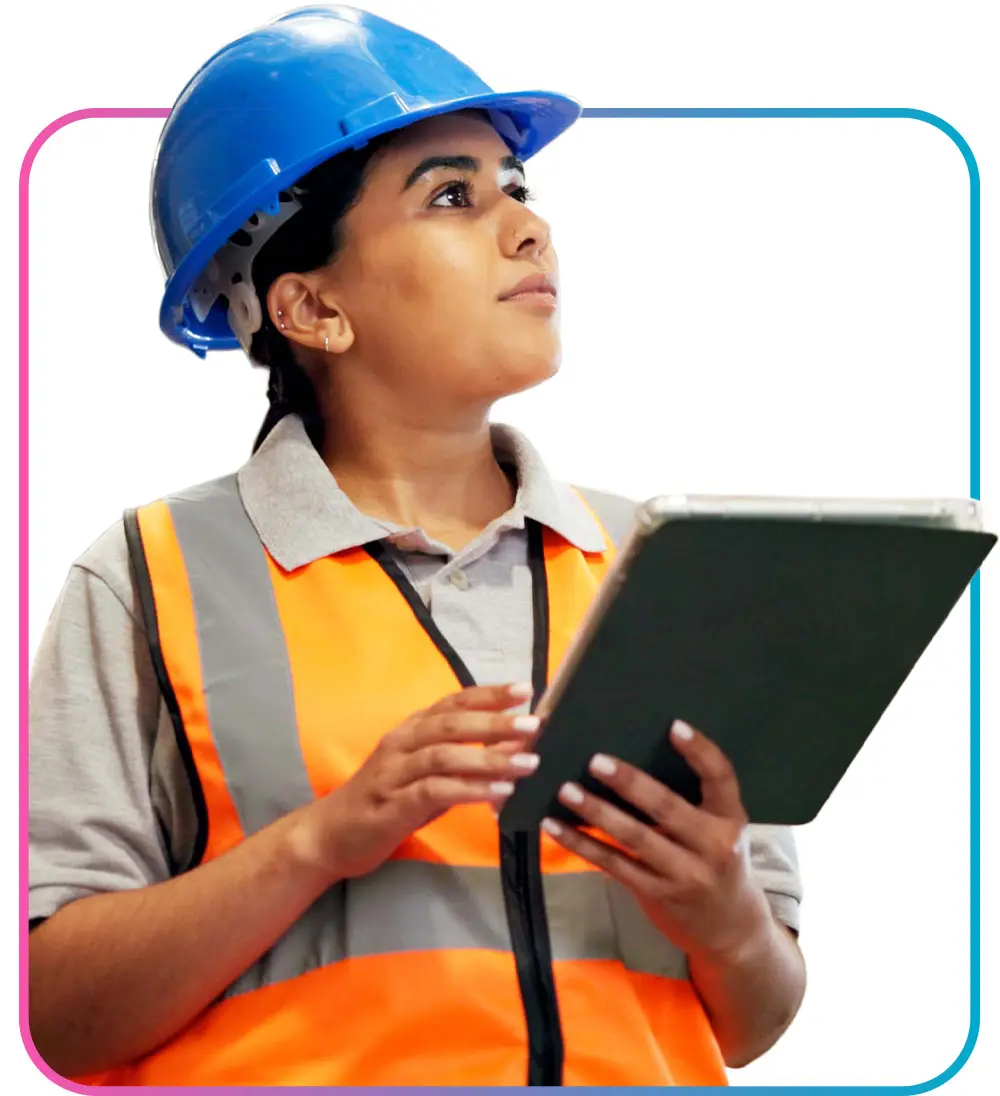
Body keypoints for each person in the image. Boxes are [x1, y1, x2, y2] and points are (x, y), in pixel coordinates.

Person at [27, 5, 806, 1087]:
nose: (527, 229)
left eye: (518, 190)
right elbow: (61, 1014)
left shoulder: (659, 567)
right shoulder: (149, 577)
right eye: (452, 195)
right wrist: (320, 842)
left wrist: (723, 916)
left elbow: (753, 1019)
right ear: (309, 305)